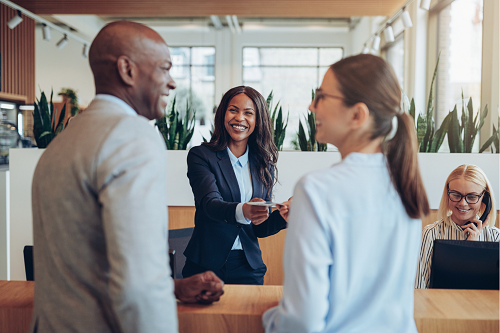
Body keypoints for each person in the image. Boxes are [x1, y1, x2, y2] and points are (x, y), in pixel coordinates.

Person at [29, 21, 224, 333]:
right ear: (127, 70)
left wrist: (171, 286)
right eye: (164, 68)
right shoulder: (132, 136)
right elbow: (139, 283)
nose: (172, 82)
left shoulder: (63, 141)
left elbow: (85, 264)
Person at [263, 54, 430, 333]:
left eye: (321, 97)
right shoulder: (406, 185)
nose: (311, 106)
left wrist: (270, 318)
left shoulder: (316, 190)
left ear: (357, 115)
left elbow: (301, 322)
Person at [182, 86, 290, 285]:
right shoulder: (201, 156)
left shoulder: (263, 164)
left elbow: (259, 228)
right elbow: (209, 204)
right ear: (223, 114)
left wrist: (282, 218)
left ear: (258, 121)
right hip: (205, 267)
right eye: (233, 110)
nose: (239, 118)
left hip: (249, 267)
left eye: (248, 113)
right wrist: (244, 210)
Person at [415, 164, 499, 289]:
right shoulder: (430, 234)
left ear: (485, 198)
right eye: (455, 194)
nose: (463, 203)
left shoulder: (495, 237)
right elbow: (419, 288)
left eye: (471, 196)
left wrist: (473, 247)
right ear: (447, 194)